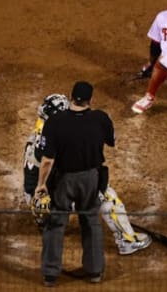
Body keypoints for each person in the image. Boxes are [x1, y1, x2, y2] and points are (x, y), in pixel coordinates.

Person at [23, 94, 151, 256]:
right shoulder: (56, 138)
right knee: (105, 194)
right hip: (52, 196)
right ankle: (127, 240)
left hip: (35, 199)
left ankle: (43, 221)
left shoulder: (39, 132)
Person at [34, 81, 113, 287]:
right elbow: (111, 140)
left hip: (64, 180)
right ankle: (95, 272)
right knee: (91, 222)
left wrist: (41, 185)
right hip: (91, 178)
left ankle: (51, 275)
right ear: (90, 99)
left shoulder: (55, 122)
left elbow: (48, 160)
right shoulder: (101, 119)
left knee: (56, 222)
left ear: (71, 97)